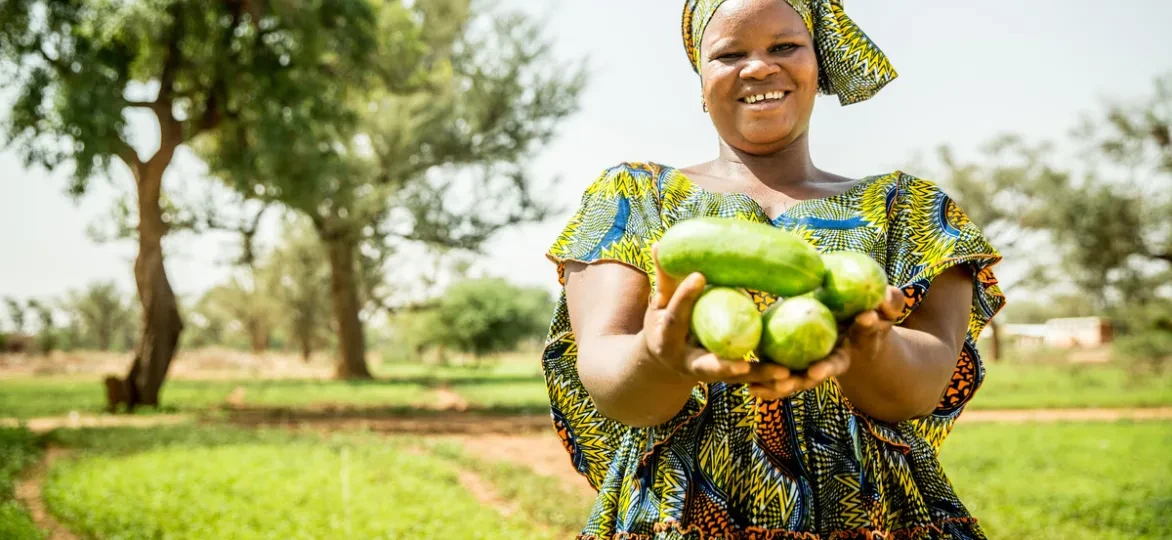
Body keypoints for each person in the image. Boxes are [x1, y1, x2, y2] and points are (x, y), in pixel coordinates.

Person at [541, 0, 1006, 538]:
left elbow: (921, 391)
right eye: (730, 53)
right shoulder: (632, 198)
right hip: (677, 515)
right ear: (700, 78)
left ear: (819, 62)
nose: (759, 67)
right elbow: (611, 384)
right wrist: (658, 355)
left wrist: (869, 343)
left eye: (784, 46)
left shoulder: (911, 209)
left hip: (874, 515)